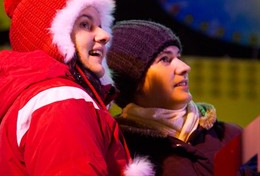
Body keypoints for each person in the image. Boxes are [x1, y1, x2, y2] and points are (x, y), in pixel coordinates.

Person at [0, 0, 154, 176]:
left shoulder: (31, 101)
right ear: (53, 38)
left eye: (101, 26)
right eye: (85, 25)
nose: (104, 35)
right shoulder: (61, 100)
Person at [106, 19, 253, 175]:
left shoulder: (231, 135)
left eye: (178, 57)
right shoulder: (120, 151)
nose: (184, 67)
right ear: (133, 81)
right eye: (165, 59)